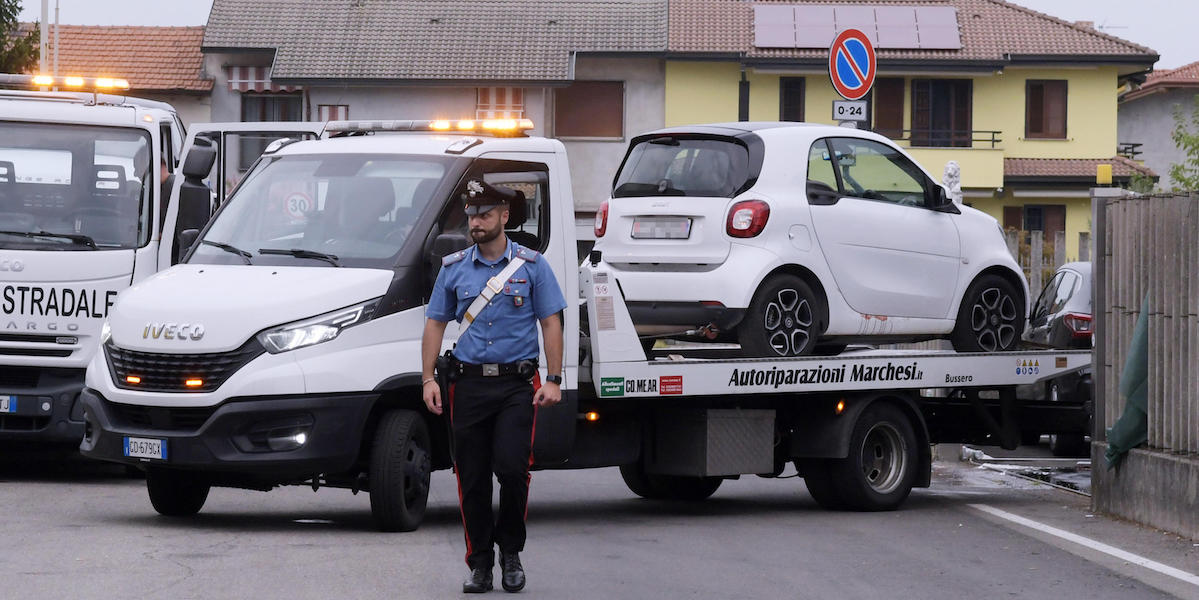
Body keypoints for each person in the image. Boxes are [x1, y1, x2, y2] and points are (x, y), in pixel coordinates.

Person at [421, 178, 567, 594]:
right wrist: (428, 377)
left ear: (504, 216)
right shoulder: (454, 268)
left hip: (515, 388)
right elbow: (434, 324)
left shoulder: (532, 266)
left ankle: (512, 553)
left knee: (512, 470)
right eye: (471, 215)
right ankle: (480, 563)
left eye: (485, 214)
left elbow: (550, 322)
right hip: (466, 386)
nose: (476, 222)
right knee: (472, 478)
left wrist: (554, 379)